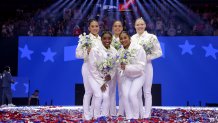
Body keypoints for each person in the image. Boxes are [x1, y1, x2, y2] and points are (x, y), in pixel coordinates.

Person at [131, 18, 162, 118]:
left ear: (145, 25)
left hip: (147, 66)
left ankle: (147, 114)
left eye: (142, 24)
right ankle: (140, 113)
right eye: (137, 24)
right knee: (138, 92)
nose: (140, 26)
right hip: (136, 68)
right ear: (134, 26)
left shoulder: (151, 37)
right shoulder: (132, 38)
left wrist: (147, 57)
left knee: (147, 91)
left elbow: (159, 52)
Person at [76, 19, 101, 120]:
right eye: (93, 26)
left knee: (97, 92)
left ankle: (94, 114)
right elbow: (77, 54)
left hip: (99, 69)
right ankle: (86, 115)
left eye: (96, 26)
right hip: (87, 67)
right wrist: (87, 52)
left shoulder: (101, 39)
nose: (95, 28)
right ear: (89, 28)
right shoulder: (84, 39)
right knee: (88, 92)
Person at [88, 31, 117, 119]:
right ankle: (96, 117)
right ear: (101, 39)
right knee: (99, 95)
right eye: (105, 38)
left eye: (109, 38)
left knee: (106, 96)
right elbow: (92, 68)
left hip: (105, 79)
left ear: (112, 39)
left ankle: (103, 116)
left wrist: (110, 75)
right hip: (94, 77)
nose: (107, 40)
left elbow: (114, 67)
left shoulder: (114, 51)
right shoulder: (95, 50)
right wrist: (101, 82)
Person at [117, 31, 147, 119]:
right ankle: (129, 117)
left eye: (125, 38)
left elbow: (141, 67)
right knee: (125, 95)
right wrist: (122, 69)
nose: (123, 40)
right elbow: (119, 66)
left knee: (132, 94)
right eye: (121, 39)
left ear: (129, 38)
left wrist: (126, 67)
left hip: (139, 76)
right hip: (127, 76)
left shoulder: (138, 48)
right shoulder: (120, 51)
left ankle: (136, 116)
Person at [110, 20, 124, 116]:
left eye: (119, 26)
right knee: (111, 90)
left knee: (122, 90)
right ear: (112, 28)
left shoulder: (126, 38)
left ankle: (121, 112)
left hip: (122, 69)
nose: (117, 28)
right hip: (110, 68)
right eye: (115, 26)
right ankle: (112, 112)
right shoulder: (108, 39)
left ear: (122, 28)